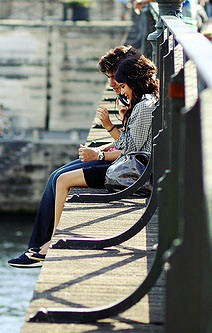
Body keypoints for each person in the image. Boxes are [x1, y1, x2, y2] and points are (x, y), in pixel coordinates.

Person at [8, 46, 149, 268]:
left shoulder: (142, 104)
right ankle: (38, 245)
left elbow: (131, 148)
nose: (113, 86)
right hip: (124, 160)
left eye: (116, 80)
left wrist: (101, 151)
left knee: (60, 177)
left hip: (128, 168)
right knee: (57, 175)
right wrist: (103, 145)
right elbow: (128, 141)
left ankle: (42, 246)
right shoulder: (134, 98)